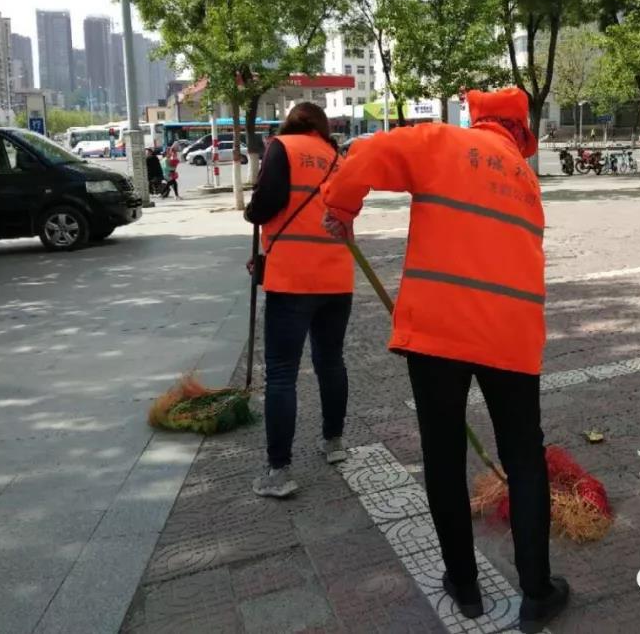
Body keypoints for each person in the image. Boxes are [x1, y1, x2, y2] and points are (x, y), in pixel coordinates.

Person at [321, 87, 569, 634]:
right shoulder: (526, 180)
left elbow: (363, 153)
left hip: (439, 332)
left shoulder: (441, 143)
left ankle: (464, 585)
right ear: (521, 133)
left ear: (476, 118)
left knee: (443, 455)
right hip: (511, 336)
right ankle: (537, 593)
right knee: (525, 461)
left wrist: (340, 206)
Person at [244, 102, 353, 499]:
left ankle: (279, 471)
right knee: (331, 361)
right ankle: (334, 442)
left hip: (292, 278)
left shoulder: (282, 147)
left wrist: (251, 212)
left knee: (281, 373)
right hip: (337, 277)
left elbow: (267, 202)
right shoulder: (337, 159)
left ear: (290, 123)